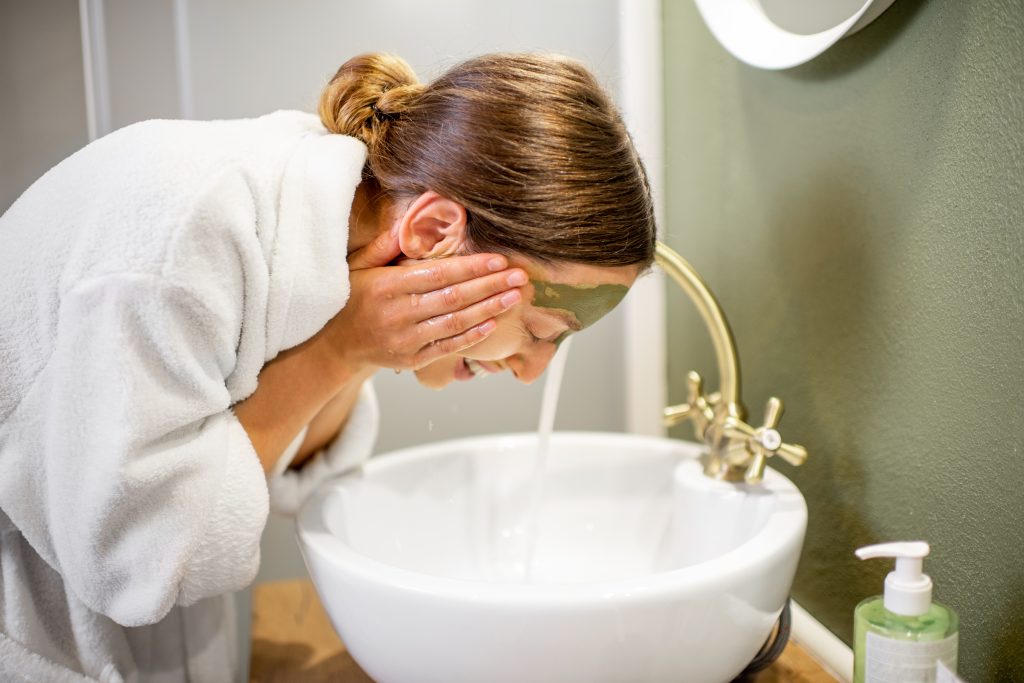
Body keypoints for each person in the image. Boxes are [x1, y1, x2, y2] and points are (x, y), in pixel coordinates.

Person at [0, 52, 655, 681]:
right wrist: (339, 348)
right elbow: (137, 554)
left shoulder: (337, 232)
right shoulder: (178, 249)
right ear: (432, 234)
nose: (530, 370)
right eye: (541, 330)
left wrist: (368, 347)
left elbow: (282, 470)